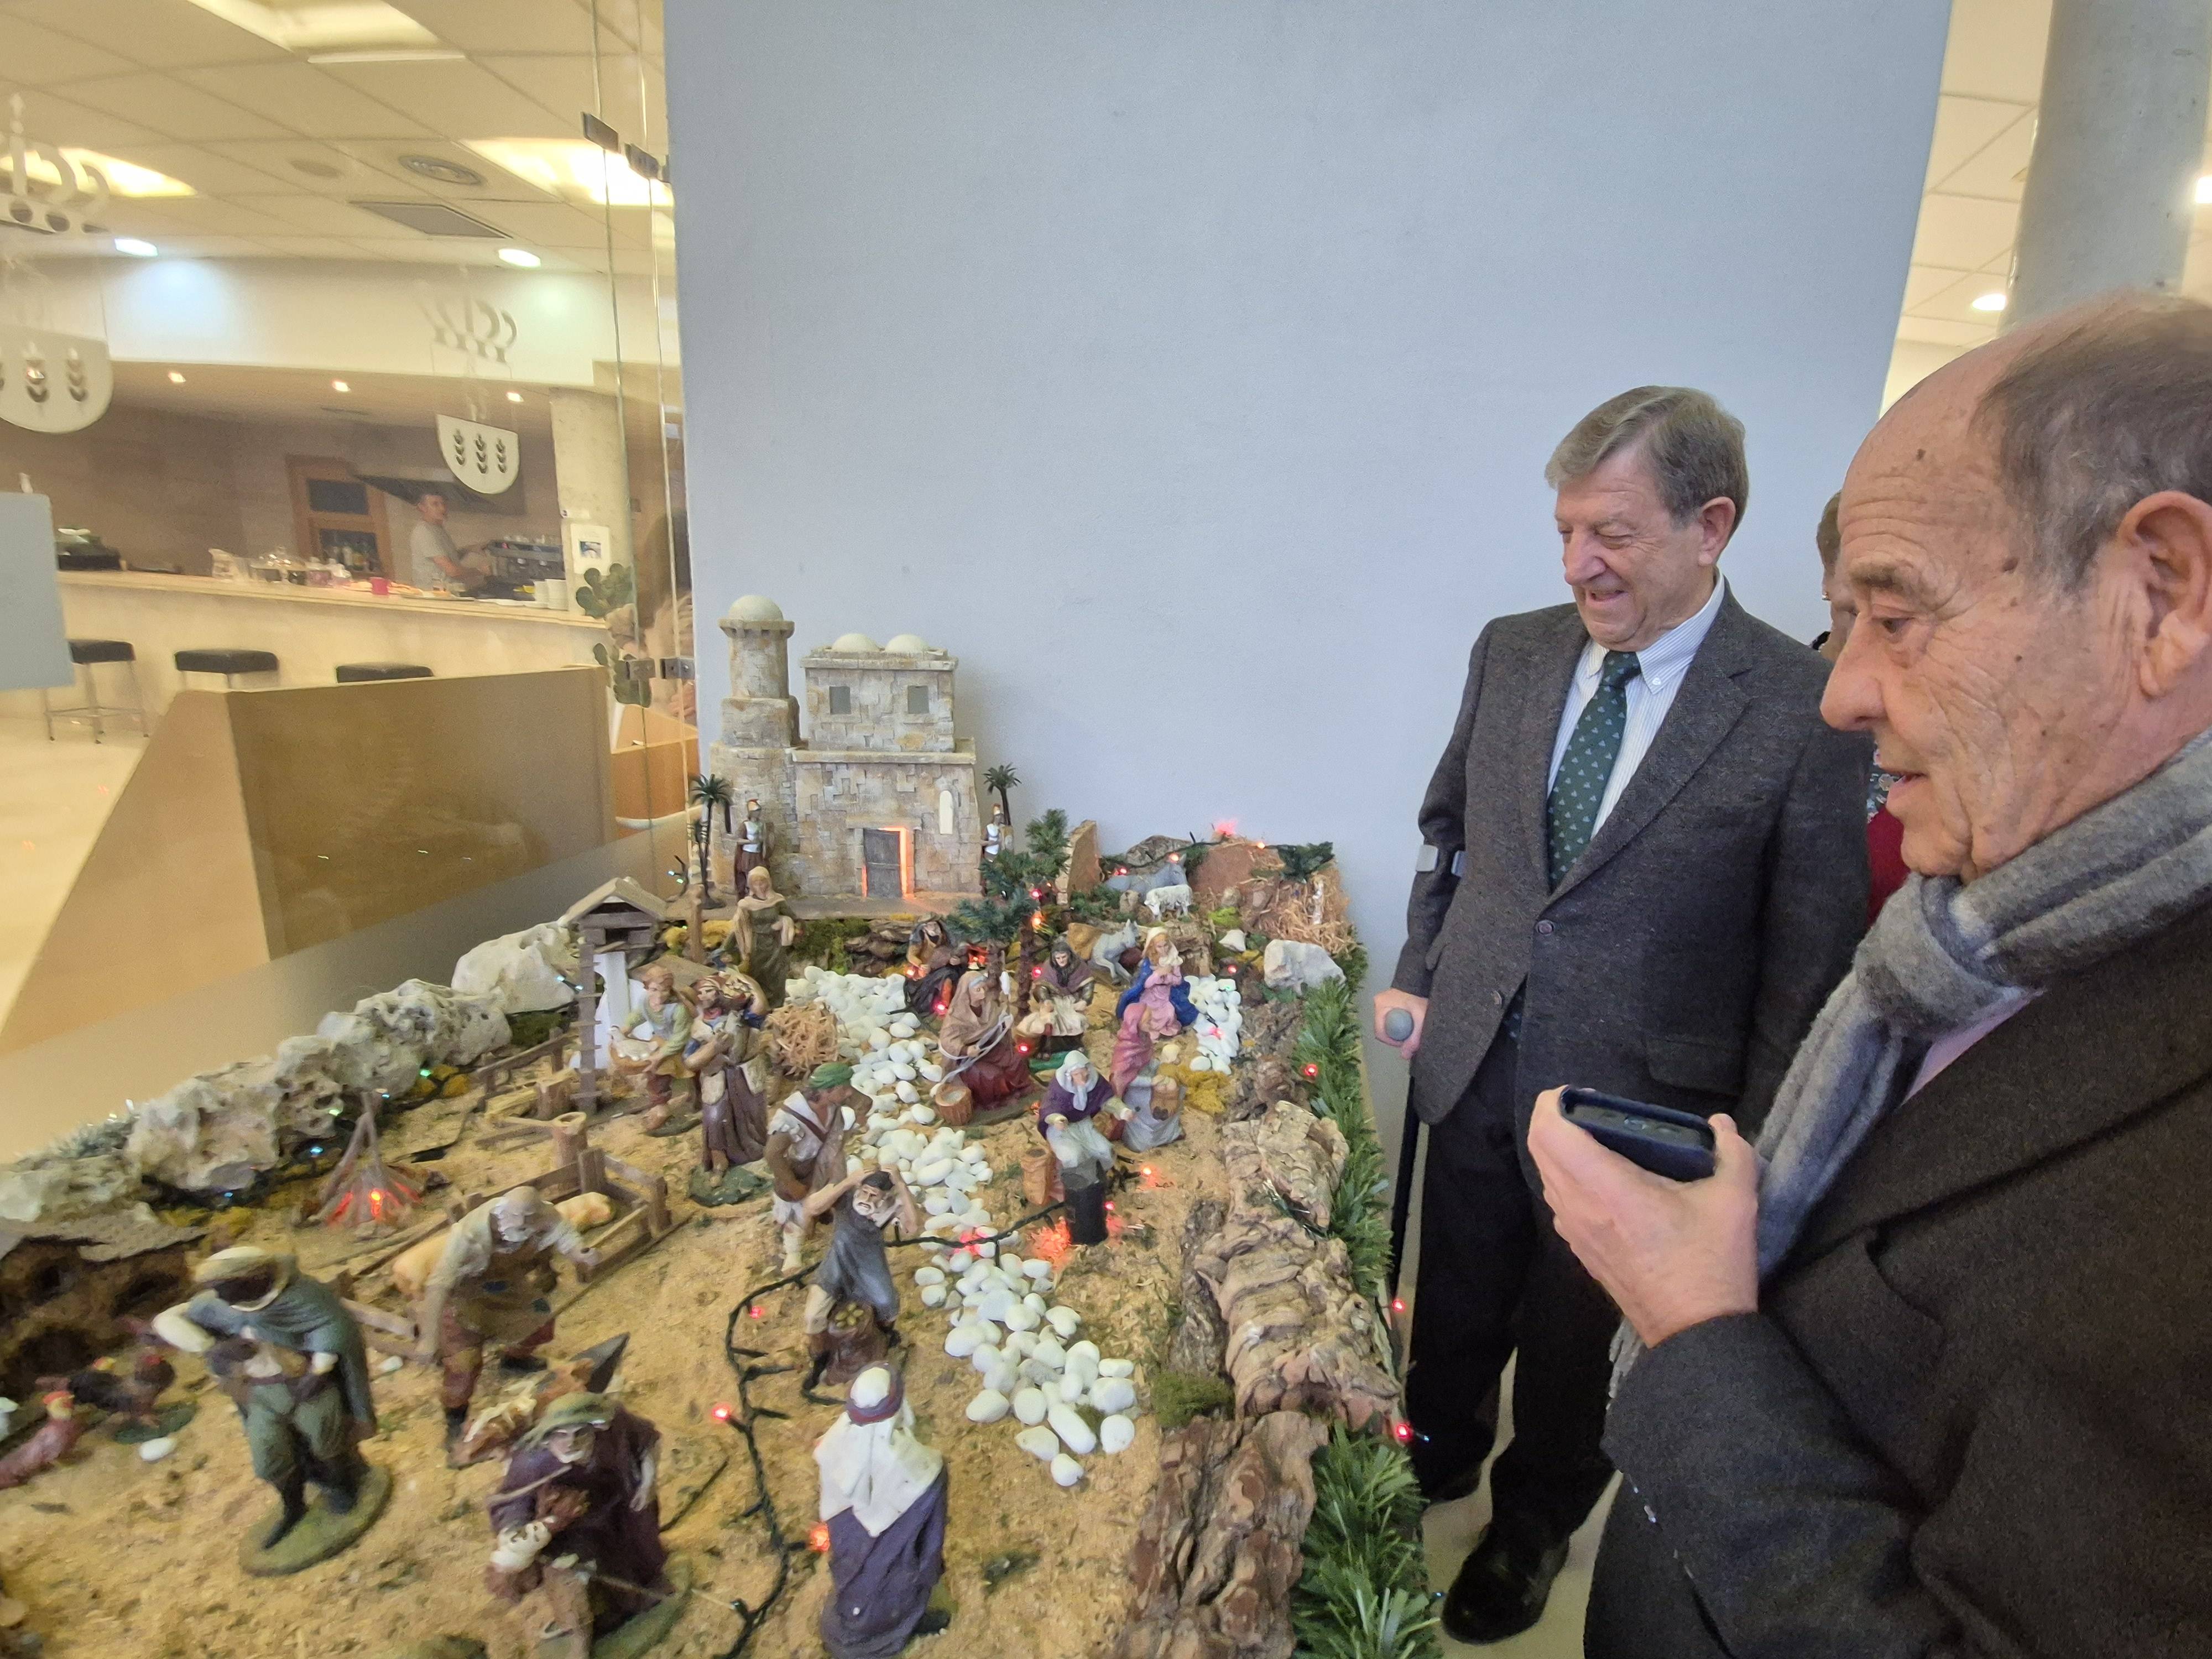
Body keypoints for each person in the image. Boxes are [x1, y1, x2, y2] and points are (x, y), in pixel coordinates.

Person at [1529, 295, 2212, 1658]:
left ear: (2161, 590)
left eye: (1894, 617)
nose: (1841, 694)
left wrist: (1693, 1329)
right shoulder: (1969, 932)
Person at [1371, 385, 1870, 1642]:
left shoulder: (1799, 705)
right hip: (1473, 1057)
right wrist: (1423, 975)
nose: (1577, 563)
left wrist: (1751, 1149)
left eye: (1613, 532)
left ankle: (1534, 1523)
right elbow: (1447, 838)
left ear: (1712, 526)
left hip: (1643, 1108)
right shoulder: (1512, 650)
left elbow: (1806, 959)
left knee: (1575, 1341)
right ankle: (1431, 1454)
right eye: (1564, 531)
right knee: (1456, 1291)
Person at [153, 1247, 378, 1546]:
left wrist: (320, 1370)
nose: (217, 1296)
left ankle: (342, 1487)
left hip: (305, 1385)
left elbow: (333, 1326)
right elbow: (169, 1320)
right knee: (269, 1456)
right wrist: (210, 1346)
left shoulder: (302, 1296)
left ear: (252, 1280)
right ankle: (292, 1506)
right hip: (260, 1393)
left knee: (327, 1440)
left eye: (223, 1288)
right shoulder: (217, 1306)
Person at [413, 1187, 599, 1454]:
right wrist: (429, 1340)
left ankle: (514, 1361)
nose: (523, 1226)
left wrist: (582, 1253)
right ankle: (455, 1417)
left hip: (504, 1286)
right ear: (503, 1214)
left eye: (528, 1221)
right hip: (463, 1294)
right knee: (464, 1364)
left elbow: (565, 1235)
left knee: (539, 1321)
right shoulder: (469, 1233)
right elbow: (439, 1284)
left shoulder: (544, 1214)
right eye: (517, 1220)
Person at [486, 1391, 665, 1651]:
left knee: (635, 1552)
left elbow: (647, 1442)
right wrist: (522, 1535)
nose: (570, 1443)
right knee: (569, 1579)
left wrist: (648, 1482)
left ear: (594, 1428)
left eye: (580, 1433)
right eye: (561, 1435)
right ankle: (578, 1632)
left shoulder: (616, 1428)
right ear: (549, 1435)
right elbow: (512, 1502)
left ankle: (634, 1598)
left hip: (620, 1504)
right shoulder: (533, 1463)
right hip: (570, 1527)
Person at [1814, 488, 1911, 921]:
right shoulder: (1757, 706)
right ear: (1826, 578)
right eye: (1855, 611)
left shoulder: (1945, 722)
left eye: (1895, 619)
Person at [813, 1365, 951, 1659]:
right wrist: (929, 1571)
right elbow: (930, 1541)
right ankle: (888, 1632)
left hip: (851, 1552)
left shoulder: (832, 1446)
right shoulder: (924, 1470)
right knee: (892, 1592)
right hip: (893, 1563)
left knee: (860, 1586)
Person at [801, 1166, 921, 1387]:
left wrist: (901, 1185)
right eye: (864, 1192)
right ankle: (820, 1358)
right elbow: (812, 1207)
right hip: (838, 1262)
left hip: (869, 1264)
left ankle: (884, 1336)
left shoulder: (889, 1206)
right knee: (813, 1316)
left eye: (874, 1195)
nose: (866, 1198)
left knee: (887, 1302)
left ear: (883, 1197)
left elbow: (912, 1227)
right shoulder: (845, 1196)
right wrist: (847, 1182)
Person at [692, 973, 770, 1173]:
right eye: (699, 993)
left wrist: (751, 983)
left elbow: (760, 1008)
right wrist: (713, 1050)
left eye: (709, 991)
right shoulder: (698, 1026)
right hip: (717, 1076)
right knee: (715, 1118)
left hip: (744, 1074)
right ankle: (719, 1160)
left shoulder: (741, 1016)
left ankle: (754, 1150)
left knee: (752, 1116)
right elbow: (690, 1060)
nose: (703, 996)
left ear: (720, 993)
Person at [765, 1086, 848, 1272]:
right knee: (796, 1212)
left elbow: (858, 1101)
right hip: (801, 1168)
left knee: (827, 1194)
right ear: (827, 1090)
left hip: (824, 1162)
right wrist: (791, 1183)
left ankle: (821, 1215)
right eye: (844, 1089)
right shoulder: (791, 1116)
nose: (848, 1093)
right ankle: (793, 1251)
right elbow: (772, 1154)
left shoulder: (833, 1105)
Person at [727, 865, 799, 1006]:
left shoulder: (777, 900)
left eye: (763, 882)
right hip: (757, 945)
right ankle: (759, 1005)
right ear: (751, 885)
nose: (760, 886)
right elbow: (739, 927)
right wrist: (727, 948)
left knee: (777, 975)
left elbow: (794, 918)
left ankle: (777, 1005)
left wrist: (789, 924)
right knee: (757, 975)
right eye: (756, 883)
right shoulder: (746, 904)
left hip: (776, 945)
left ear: (769, 882)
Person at [405, 489, 487, 593]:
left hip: (446, 592)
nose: (442, 508)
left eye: (443, 504)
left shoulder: (437, 529)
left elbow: (448, 558)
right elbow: (452, 571)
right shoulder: (424, 532)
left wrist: (470, 549)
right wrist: (480, 571)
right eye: (435, 504)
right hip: (434, 595)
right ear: (422, 507)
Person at [902, 917, 963, 1019]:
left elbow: (957, 952)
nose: (933, 928)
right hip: (925, 968)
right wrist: (920, 964)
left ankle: (944, 1006)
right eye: (930, 925)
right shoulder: (921, 937)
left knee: (947, 980)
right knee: (922, 980)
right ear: (924, 927)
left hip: (944, 968)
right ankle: (923, 1003)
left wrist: (956, 960)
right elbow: (911, 956)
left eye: (935, 924)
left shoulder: (946, 936)